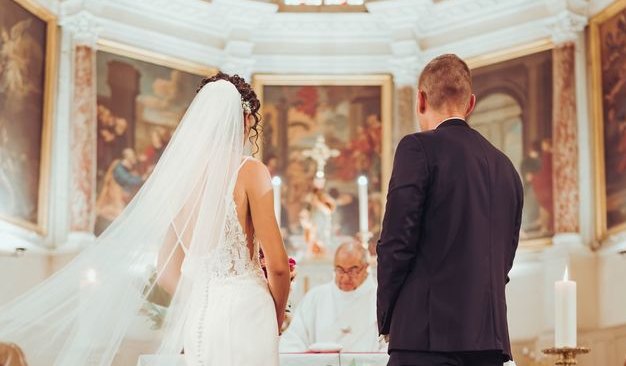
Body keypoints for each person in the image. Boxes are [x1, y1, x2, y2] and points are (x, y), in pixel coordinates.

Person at [0, 73, 290, 366]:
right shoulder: (250, 171)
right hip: (247, 310)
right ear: (244, 120)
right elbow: (278, 268)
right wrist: (275, 320)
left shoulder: (180, 182)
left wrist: (206, 295)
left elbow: (166, 273)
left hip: (202, 316)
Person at [377, 54, 524, 366]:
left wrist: (388, 317)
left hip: (424, 338)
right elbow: (504, 260)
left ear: (420, 100)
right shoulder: (507, 167)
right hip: (489, 342)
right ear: (470, 104)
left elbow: (396, 243)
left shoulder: (417, 148)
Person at [280, 239, 384, 353]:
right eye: (340, 270)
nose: (345, 278)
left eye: (352, 271)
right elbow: (294, 339)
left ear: (366, 268)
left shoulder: (380, 300)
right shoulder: (316, 297)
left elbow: (387, 347)